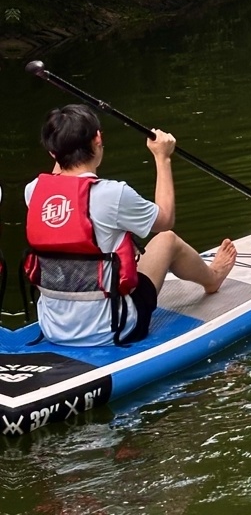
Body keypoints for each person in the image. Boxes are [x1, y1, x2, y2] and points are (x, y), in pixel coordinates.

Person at [24, 103, 237, 347]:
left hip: (53, 329)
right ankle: (213, 278)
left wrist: (60, 144)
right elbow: (165, 219)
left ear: (53, 152)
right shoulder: (113, 194)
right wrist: (162, 157)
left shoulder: (33, 192)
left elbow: (59, 178)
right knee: (167, 240)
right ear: (98, 139)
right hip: (112, 329)